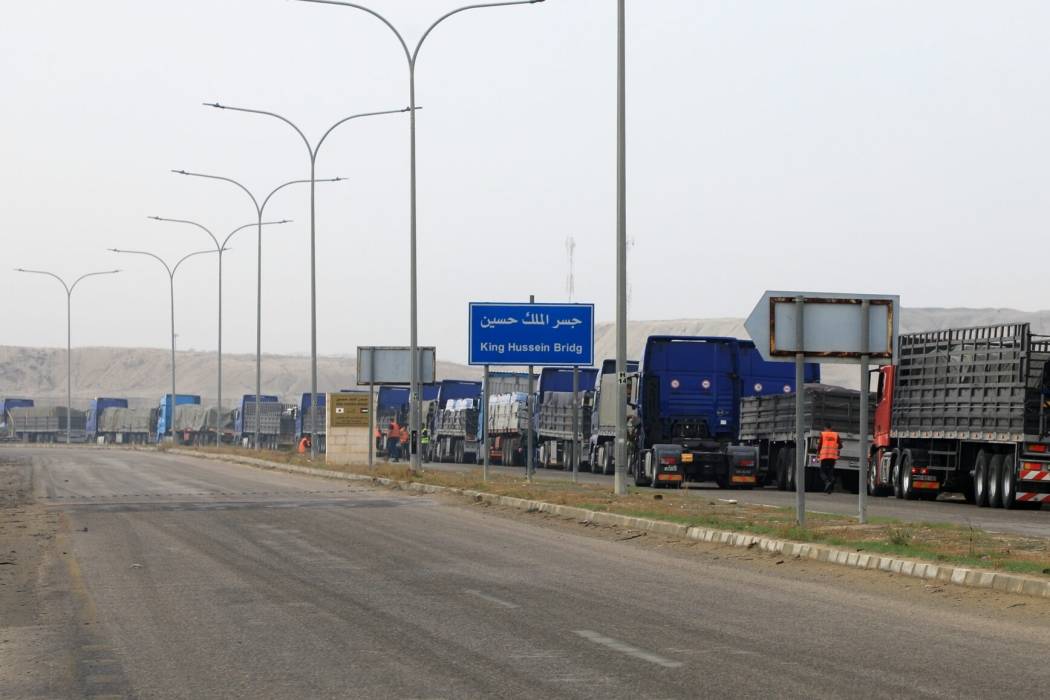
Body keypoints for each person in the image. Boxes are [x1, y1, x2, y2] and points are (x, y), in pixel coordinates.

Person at [818, 423, 842, 494]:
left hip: (824, 456)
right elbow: (840, 446)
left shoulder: (823, 434)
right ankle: (829, 488)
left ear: (825, 428)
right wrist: (835, 446)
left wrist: (818, 452)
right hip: (832, 457)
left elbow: (819, 445)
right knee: (830, 472)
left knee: (822, 472)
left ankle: (827, 482)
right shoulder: (836, 434)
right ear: (831, 428)